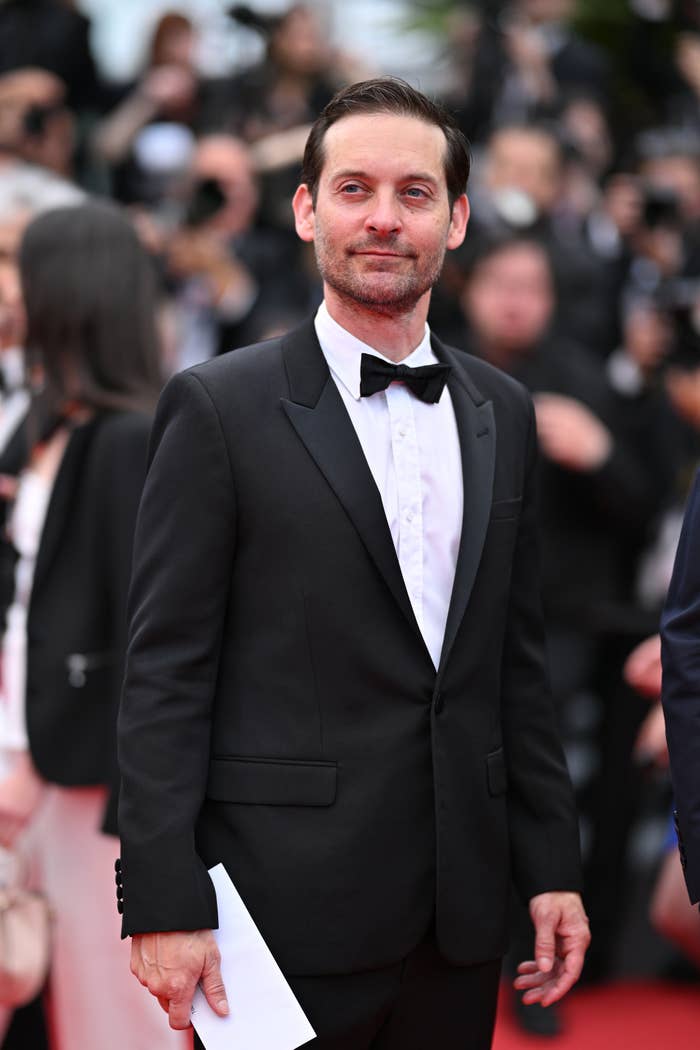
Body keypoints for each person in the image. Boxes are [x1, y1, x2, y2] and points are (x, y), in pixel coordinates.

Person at [117, 78, 590, 1050]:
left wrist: (551, 866)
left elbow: (515, 665)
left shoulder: (503, 411)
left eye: (415, 193)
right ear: (306, 210)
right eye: (354, 189)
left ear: (457, 220)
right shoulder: (218, 407)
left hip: (457, 919)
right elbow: (164, 670)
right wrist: (161, 897)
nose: (383, 219)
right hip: (276, 915)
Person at [0, 199, 185, 1050]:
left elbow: (146, 634)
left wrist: (39, 770)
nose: (8, 289)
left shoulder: (128, 439)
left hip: (84, 772)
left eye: (19, 267)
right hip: (26, 744)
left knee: (112, 1013)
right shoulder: (46, 422)